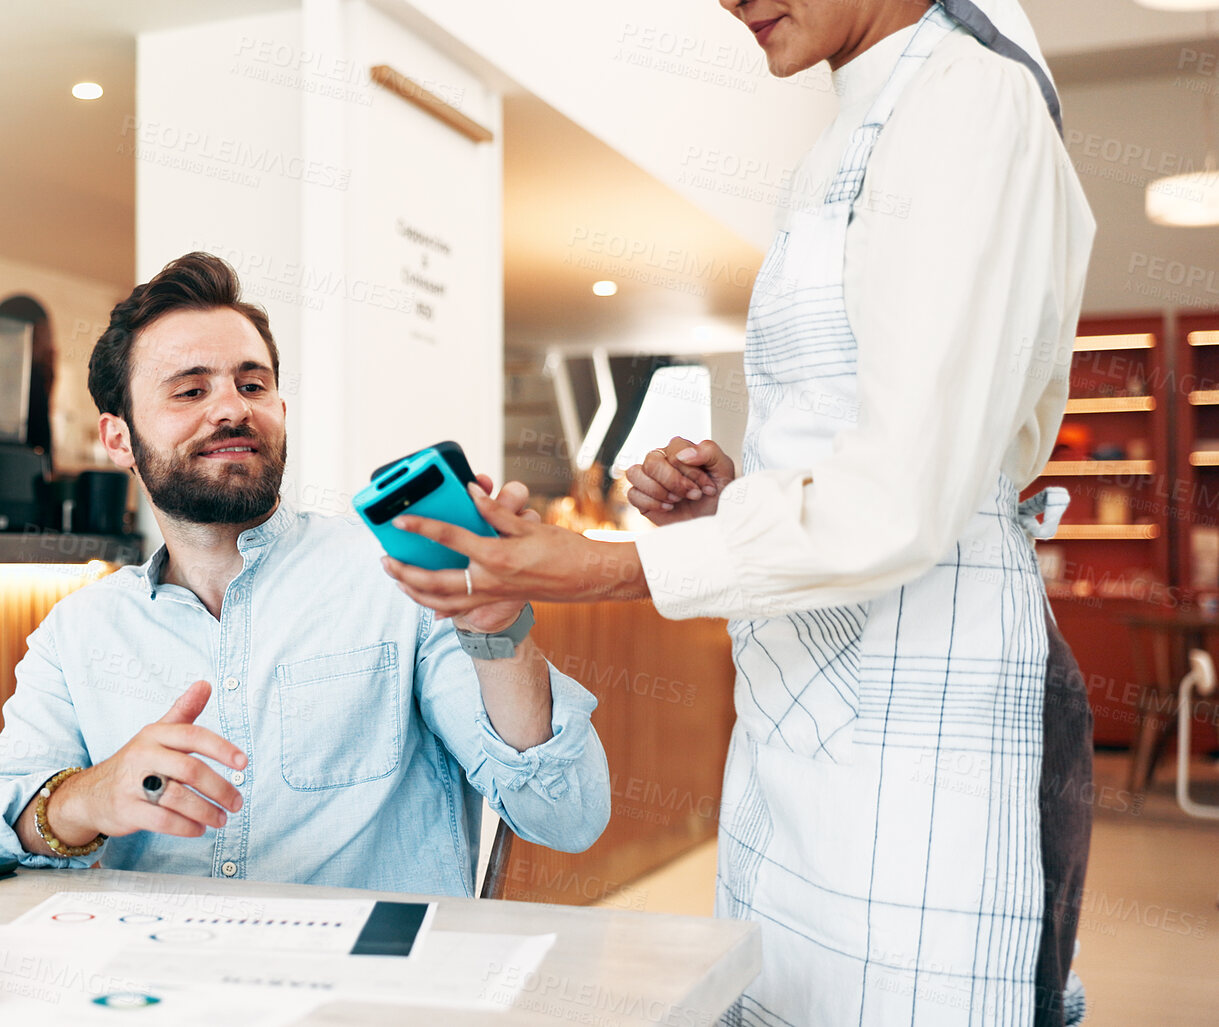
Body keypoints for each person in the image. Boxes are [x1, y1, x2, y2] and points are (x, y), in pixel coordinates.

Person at [383, 1, 1092, 1024]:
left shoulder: (971, 95)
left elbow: (903, 496)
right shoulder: (851, 112)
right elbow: (858, 442)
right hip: (802, 710)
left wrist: (607, 567)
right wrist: (736, 496)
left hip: (921, 718)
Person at [0, 252, 609, 896]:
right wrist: (89, 797)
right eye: (189, 389)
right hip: (162, 989)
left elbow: (568, 816)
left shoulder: (400, 582)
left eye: (252, 383)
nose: (231, 409)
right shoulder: (81, 630)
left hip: (366, 994)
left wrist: (500, 633)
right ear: (118, 438)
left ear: (281, 411)